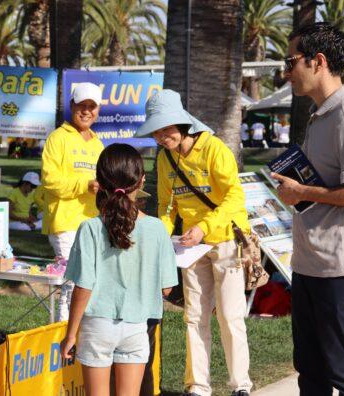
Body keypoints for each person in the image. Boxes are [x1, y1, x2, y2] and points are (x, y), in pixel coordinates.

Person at [271, 23, 344, 396]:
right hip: (309, 265)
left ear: (317, 62)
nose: (286, 71)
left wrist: (303, 189)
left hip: (338, 270)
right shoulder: (321, 114)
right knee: (311, 373)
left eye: (290, 61)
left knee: (343, 375)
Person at [135, 89, 253, 396]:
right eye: (156, 132)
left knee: (230, 315)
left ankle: (240, 385)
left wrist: (204, 227)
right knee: (194, 316)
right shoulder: (164, 158)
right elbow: (165, 205)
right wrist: (162, 237)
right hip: (191, 248)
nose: (161, 137)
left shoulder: (214, 149)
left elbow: (234, 197)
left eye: (166, 129)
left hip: (226, 240)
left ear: (182, 123)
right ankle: (198, 386)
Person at [60, 143, 178, 396]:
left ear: (99, 181)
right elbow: (167, 287)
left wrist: (71, 334)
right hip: (137, 326)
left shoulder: (90, 228)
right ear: (142, 180)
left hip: (97, 325)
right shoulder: (158, 229)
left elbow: (83, 286)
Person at [41, 82, 104, 321]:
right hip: (64, 223)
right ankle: (63, 342)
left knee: (89, 284)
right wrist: (85, 185)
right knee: (70, 284)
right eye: (82, 105)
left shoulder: (98, 145)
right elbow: (50, 180)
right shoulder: (57, 138)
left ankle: (81, 339)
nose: (87, 111)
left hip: (93, 223)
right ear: (71, 106)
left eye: (92, 106)